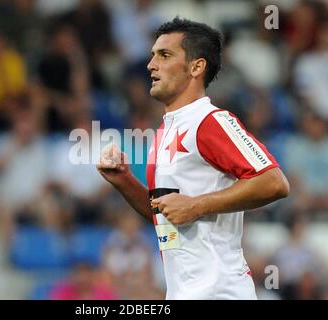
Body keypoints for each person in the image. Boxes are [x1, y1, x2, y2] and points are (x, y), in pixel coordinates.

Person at [96, 17, 290, 300]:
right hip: (183, 291)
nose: (151, 65)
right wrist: (124, 181)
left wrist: (196, 206)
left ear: (196, 66)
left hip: (220, 291)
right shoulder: (166, 130)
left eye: (165, 55)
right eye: (152, 56)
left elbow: (274, 182)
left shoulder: (210, 121)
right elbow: (166, 215)